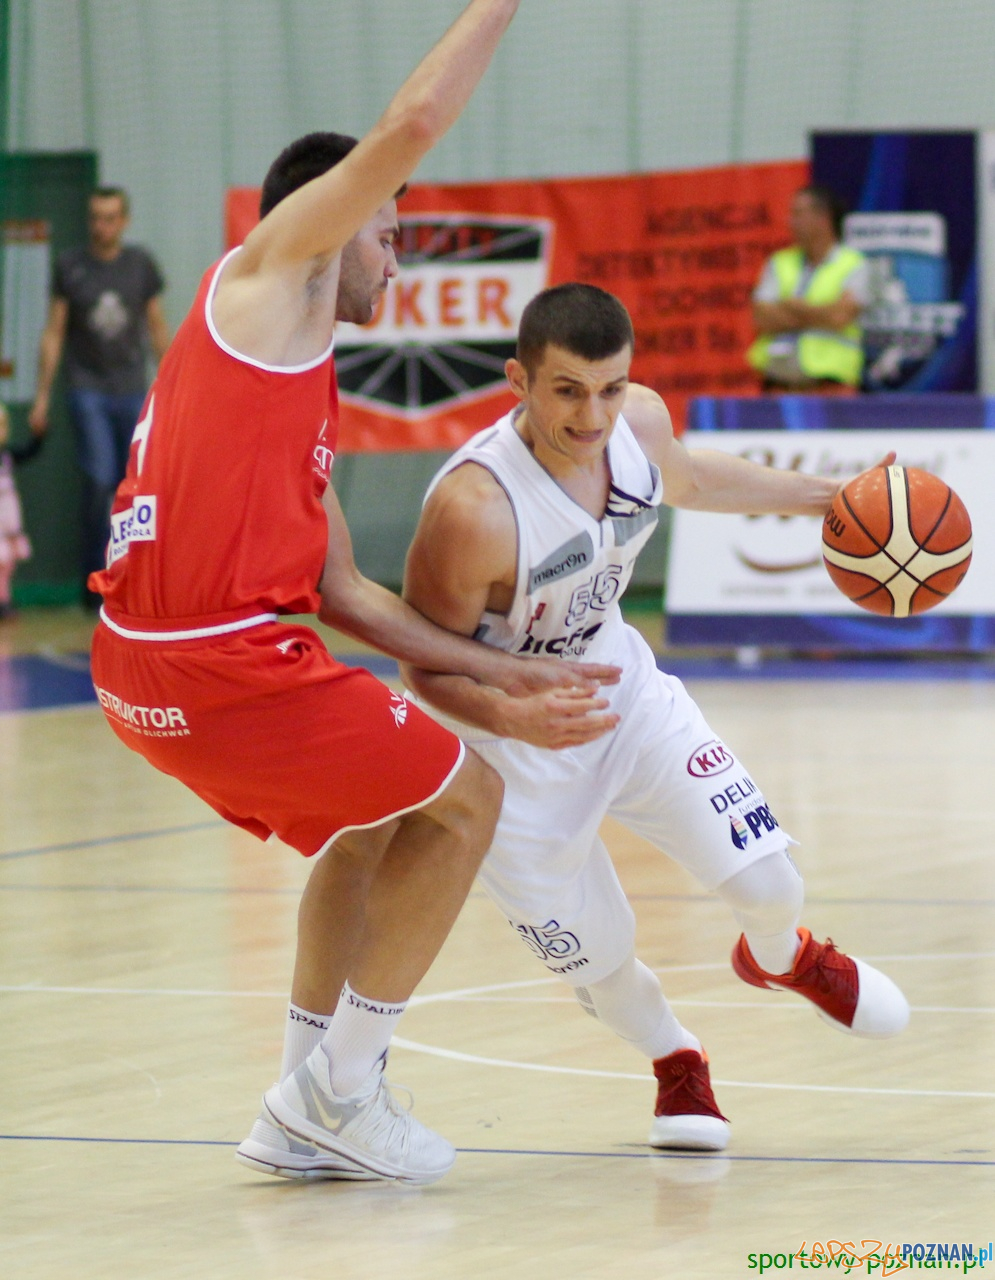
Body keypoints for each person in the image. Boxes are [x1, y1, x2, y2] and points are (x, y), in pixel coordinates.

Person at [87, 1, 617, 1187]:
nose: (399, 249)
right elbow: (415, 118)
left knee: (379, 816)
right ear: (328, 221)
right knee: (467, 798)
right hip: (211, 660)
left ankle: (304, 1097)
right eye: (388, 225)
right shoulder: (273, 273)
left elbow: (347, 595)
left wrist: (513, 672)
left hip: (146, 668)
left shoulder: (295, 374)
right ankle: (344, 1089)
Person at [401, 282, 909, 1153]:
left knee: (769, 881)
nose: (592, 415)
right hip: (510, 751)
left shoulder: (635, 423)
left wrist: (831, 497)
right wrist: (514, 717)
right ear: (517, 381)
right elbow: (423, 666)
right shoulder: (473, 511)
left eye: (608, 387)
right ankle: (675, 1057)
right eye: (566, 390)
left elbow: (695, 479)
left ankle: (782, 955)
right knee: (599, 959)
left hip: (624, 696)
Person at [29, 186, 170, 607]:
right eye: (95, 217)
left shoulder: (139, 265)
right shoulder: (71, 266)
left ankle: (137, 578)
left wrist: (171, 385)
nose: (101, 226)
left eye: (110, 218)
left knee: (138, 485)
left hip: (130, 389)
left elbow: (156, 327)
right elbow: (54, 333)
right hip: (86, 388)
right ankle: (97, 579)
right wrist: (40, 397)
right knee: (99, 479)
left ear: (123, 221)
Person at [747, 184, 871, 394]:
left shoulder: (854, 264)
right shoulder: (779, 263)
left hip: (830, 389)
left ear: (822, 218)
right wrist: (821, 313)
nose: (790, 222)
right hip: (779, 386)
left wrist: (793, 308)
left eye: (797, 214)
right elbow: (762, 317)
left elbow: (840, 317)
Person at [0, 399, 34, 619]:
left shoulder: (7, 457)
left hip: (8, 520)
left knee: (7, 562)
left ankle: (4, 599)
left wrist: (39, 435)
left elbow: (29, 452)